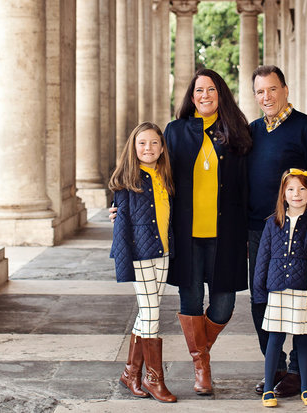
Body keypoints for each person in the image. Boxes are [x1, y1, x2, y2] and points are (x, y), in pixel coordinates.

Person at [163, 68, 253, 395]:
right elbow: (155, 172)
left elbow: (246, 185)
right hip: (186, 236)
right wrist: (124, 199)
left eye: (211, 90)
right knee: (189, 299)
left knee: (223, 306)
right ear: (191, 96)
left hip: (225, 234)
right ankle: (201, 367)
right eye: (199, 90)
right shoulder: (174, 132)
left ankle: (201, 350)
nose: (205, 96)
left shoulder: (237, 133)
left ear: (221, 95)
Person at [248, 65, 307, 398]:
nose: (266, 97)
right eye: (260, 92)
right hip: (259, 230)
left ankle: (298, 372)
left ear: (285, 89)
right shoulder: (252, 131)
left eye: (272, 89)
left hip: (300, 230)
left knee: (303, 299)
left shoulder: (306, 128)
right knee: (260, 300)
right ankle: (278, 368)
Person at [109, 122, 177, 403]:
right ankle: (154, 380)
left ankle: (130, 373)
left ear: (162, 148)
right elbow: (121, 227)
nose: (148, 148)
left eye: (153, 143)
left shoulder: (165, 177)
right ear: (133, 148)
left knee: (147, 313)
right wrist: (124, 265)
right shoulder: (127, 181)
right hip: (140, 256)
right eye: (142, 143)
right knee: (151, 315)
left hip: (163, 253)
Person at [253, 169, 307, 407]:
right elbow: (262, 258)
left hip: (303, 289)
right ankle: (269, 391)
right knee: (275, 338)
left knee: (303, 339)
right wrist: (260, 290)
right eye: (291, 189)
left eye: (302, 189)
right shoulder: (273, 223)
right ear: (283, 194)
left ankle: (305, 388)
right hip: (277, 290)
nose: (297, 194)